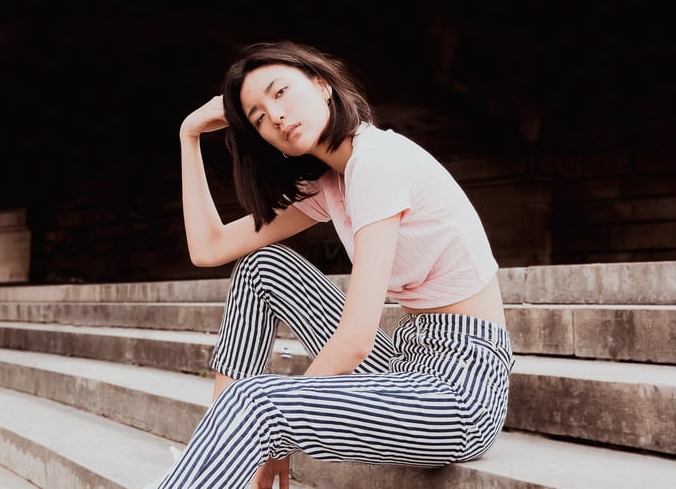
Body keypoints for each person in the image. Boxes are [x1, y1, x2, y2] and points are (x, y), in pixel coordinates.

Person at [151, 40, 514, 489]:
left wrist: (276, 433)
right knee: (262, 267)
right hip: (407, 361)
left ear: (322, 86)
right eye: (259, 117)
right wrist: (189, 135)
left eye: (280, 92)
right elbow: (208, 248)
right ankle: (225, 447)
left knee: (258, 403)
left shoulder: (377, 162)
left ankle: (230, 447)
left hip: (459, 392)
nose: (276, 115)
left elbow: (356, 339)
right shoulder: (331, 183)